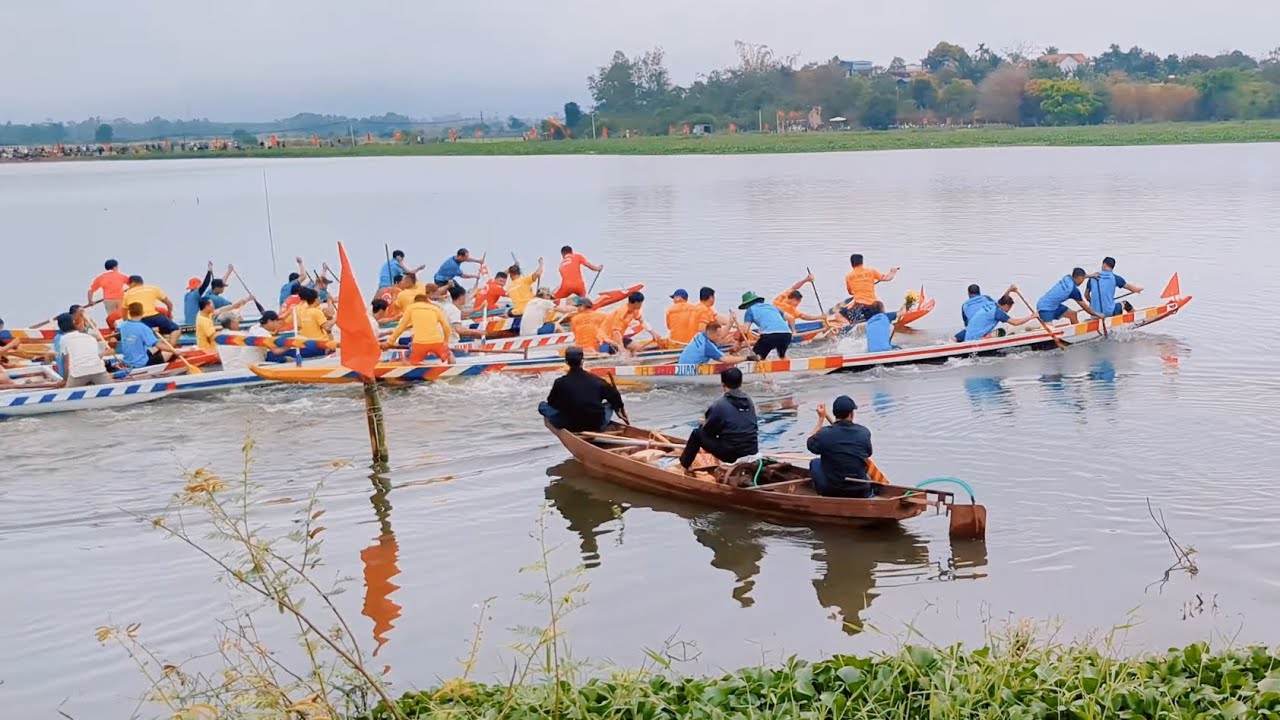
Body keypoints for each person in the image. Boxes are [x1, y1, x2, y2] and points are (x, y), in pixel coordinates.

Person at [679, 367, 759, 471]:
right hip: (752, 450)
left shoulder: (720, 405)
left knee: (697, 434)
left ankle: (684, 465)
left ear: (723, 384)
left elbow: (708, 432)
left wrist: (705, 423)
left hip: (731, 455)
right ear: (741, 383)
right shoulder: (749, 401)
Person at [539, 347, 626, 432]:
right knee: (610, 403)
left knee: (543, 406)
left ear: (566, 362)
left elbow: (551, 402)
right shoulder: (597, 381)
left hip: (570, 425)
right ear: (582, 361)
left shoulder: (559, 382)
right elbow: (615, 396)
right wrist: (618, 408)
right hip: (597, 424)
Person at [807, 395, 875, 498]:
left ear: (835, 414)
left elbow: (810, 443)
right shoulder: (864, 433)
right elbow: (868, 453)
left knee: (815, 462)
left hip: (832, 490)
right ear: (851, 414)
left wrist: (821, 419)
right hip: (861, 490)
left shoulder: (824, 434)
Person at [386, 294, 454, 364]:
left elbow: (401, 327)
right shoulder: (436, 309)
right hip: (437, 342)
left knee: (410, 361)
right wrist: (445, 341)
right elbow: (446, 327)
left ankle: (413, 365)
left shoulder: (411, 308)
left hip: (420, 343)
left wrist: (390, 342)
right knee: (449, 354)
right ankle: (453, 367)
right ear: (427, 301)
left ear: (414, 301)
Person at [956, 285, 1035, 342]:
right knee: (1001, 331)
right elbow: (1015, 322)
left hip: (968, 334)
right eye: (1009, 308)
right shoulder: (997, 312)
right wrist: (1032, 316)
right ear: (1007, 305)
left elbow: (1002, 300)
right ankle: (985, 338)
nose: (1008, 310)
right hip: (975, 340)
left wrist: (1009, 290)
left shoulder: (991, 304)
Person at [122, 275, 181, 345]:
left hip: (139, 321)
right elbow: (169, 304)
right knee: (176, 329)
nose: (129, 286)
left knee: (141, 335)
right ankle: (171, 346)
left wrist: (128, 325)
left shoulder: (127, 294)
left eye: (129, 284)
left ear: (133, 283)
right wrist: (169, 315)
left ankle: (155, 344)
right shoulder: (153, 288)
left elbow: (124, 314)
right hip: (155, 317)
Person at [54, 313, 110, 387]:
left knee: (68, 392)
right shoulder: (90, 337)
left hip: (78, 374)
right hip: (99, 371)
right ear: (73, 323)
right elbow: (98, 356)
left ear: (60, 326)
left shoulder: (63, 339)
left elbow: (66, 361)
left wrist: (65, 380)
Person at [840, 254, 900, 323]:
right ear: (862, 262)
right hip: (874, 306)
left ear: (851, 264)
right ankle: (884, 320)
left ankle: (848, 325)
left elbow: (850, 292)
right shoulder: (871, 271)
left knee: (838, 315)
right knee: (879, 305)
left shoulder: (849, 276)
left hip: (859, 306)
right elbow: (887, 278)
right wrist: (893, 272)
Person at [1037, 268, 1102, 325]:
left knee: (1072, 314)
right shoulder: (1073, 290)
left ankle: (1077, 334)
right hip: (1045, 309)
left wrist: (1092, 275)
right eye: (1083, 279)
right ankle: (1033, 328)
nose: (1082, 281)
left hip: (1052, 305)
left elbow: (1082, 276)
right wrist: (1097, 314)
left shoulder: (1067, 277)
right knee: (1050, 331)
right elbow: (1085, 307)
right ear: (1079, 278)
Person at [739, 291, 794, 359]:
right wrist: (793, 332)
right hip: (786, 334)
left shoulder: (750, 310)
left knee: (756, 356)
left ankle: (758, 366)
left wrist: (739, 343)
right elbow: (791, 317)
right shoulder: (771, 307)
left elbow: (745, 330)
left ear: (747, 305)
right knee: (781, 355)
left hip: (770, 335)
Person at [117, 303, 171, 369]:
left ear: (130, 313)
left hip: (128, 360)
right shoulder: (143, 327)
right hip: (141, 363)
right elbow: (158, 344)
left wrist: (151, 330)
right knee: (169, 352)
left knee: (155, 348)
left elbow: (135, 331)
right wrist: (174, 351)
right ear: (142, 312)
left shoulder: (123, 326)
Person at [677, 321, 747, 366]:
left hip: (681, 364)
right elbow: (726, 360)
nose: (720, 337)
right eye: (718, 335)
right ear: (711, 334)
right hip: (690, 370)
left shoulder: (700, 335)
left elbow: (720, 338)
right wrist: (746, 358)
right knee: (726, 361)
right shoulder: (708, 347)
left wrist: (730, 323)